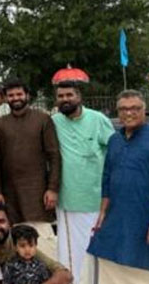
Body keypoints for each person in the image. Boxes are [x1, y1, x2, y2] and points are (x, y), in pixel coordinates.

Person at [84, 89, 149, 283]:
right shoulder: (114, 140)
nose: (129, 113)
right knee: (105, 260)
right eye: (123, 109)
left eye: (135, 108)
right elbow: (107, 178)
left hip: (147, 220)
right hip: (116, 219)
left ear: (144, 110)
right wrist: (102, 213)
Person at [50, 81, 113, 277]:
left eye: (69, 95)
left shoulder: (97, 119)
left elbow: (114, 152)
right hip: (69, 199)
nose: (65, 99)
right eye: (60, 96)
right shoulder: (54, 122)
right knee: (71, 254)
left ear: (79, 97)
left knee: (98, 250)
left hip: (97, 198)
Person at [0, 78, 61, 254]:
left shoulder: (42, 119)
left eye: (19, 94)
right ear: (6, 98)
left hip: (38, 192)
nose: (15, 98)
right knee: (16, 243)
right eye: (11, 95)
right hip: (10, 193)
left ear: (27, 96)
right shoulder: (0, 123)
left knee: (43, 244)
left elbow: (54, 156)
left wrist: (52, 189)